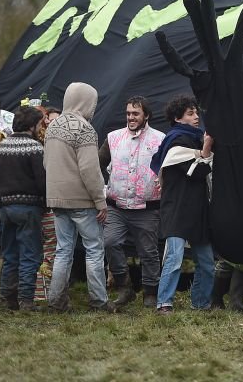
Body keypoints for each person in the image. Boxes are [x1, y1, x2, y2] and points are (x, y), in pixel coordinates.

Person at [44, 82, 116, 313]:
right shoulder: (84, 129)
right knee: (94, 249)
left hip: (56, 199)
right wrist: (100, 200)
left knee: (63, 250)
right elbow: (90, 170)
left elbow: (47, 163)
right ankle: (99, 301)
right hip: (81, 200)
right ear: (86, 102)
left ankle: (56, 302)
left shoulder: (52, 127)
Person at [99, 96, 165, 308]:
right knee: (109, 243)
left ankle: (150, 293)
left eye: (135, 113)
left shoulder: (160, 139)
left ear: (146, 115)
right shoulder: (113, 138)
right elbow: (96, 164)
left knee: (148, 252)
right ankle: (124, 287)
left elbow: (169, 168)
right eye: (128, 113)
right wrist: (102, 189)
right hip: (117, 206)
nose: (130, 117)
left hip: (148, 207)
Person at [154, 96, 214, 313]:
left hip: (198, 210)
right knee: (174, 258)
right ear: (178, 118)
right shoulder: (176, 141)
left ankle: (201, 303)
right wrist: (206, 148)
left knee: (206, 262)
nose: (196, 116)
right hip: (177, 209)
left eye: (196, 112)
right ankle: (164, 303)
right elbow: (196, 172)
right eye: (190, 113)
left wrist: (204, 147)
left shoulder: (196, 139)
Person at [0, 106, 47, 311]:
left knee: (9, 254)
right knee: (30, 255)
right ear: (32, 126)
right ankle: (26, 300)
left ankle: (7, 298)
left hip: (6, 208)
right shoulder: (35, 148)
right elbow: (42, 182)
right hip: (28, 208)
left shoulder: (2, 147)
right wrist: (45, 204)